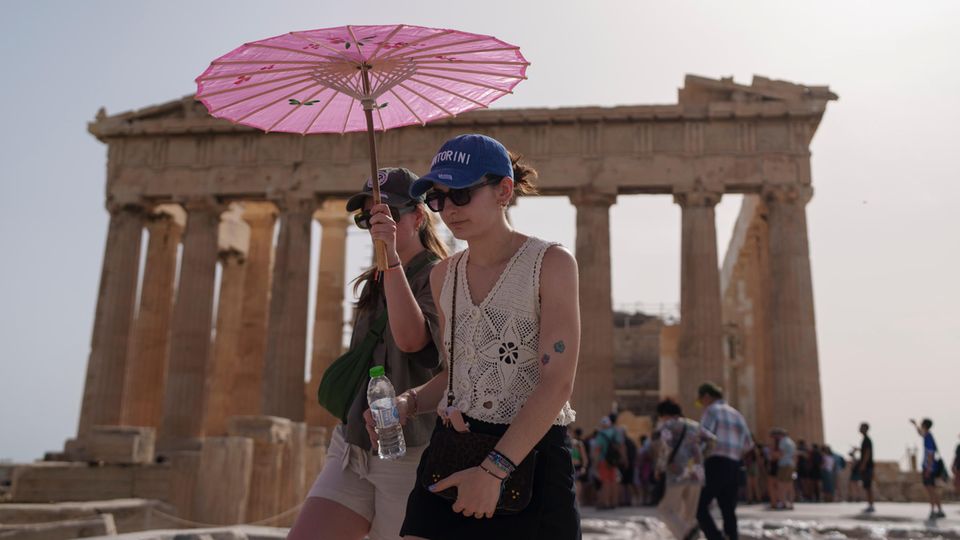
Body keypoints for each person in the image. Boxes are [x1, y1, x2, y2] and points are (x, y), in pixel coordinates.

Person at [387, 134, 581, 539]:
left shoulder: (551, 264)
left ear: (503, 190)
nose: (449, 210)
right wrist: (409, 402)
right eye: (438, 198)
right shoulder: (444, 275)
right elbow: (458, 374)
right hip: (452, 449)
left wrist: (494, 471)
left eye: (460, 193)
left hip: (530, 456)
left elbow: (557, 381)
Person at [288, 168, 449, 540]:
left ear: (418, 217)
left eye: (387, 214)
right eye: (368, 217)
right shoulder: (373, 281)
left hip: (409, 450)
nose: (377, 225)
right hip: (354, 444)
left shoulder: (438, 275)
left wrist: (391, 258)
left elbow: (413, 343)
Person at [695, 382, 753, 540]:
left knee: (699, 506)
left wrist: (696, 458)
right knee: (728, 509)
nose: (700, 405)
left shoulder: (712, 411)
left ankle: (716, 537)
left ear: (706, 397)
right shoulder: (737, 414)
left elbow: (704, 436)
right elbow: (748, 444)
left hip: (716, 463)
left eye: (700, 401)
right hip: (734, 465)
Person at [655, 398, 717, 540]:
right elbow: (712, 440)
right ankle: (690, 534)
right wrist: (701, 456)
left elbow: (666, 447)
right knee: (688, 515)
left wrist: (660, 468)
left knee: (666, 509)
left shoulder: (667, 426)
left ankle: (687, 535)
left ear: (664, 414)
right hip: (696, 471)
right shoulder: (694, 425)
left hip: (677, 471)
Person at [911, 418, 945, 520]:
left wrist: (928, 469)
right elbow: (920, 433)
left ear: (924, 425)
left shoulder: (928, 437)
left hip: (929, 468)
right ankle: (939, 510)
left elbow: (930, 454)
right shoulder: (927, 435)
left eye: (921, 424)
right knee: (932, 490)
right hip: (930, 467)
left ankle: (933, 511)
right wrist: (915, 424)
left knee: (931, 491)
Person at [593, 415, 625, 509]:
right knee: (614, 481)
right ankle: (614, 502)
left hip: (604, 460)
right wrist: (622, 458)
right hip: (614, 461)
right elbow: (621, 446)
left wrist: (595, 464)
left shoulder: (600, 435)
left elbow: (598, 451)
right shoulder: (616, 432)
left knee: (605, 482)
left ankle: (606, 502)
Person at [771, 428, 796, 510]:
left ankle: (783, 503)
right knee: (790, 484)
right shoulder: (792, 442)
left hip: (784, 464)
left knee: (781, 484)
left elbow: (781, 453)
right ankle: (791, 503)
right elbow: (794, 455)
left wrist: (773, 456)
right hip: (791, 464)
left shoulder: (782, 441)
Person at [857, 422, 875, 513]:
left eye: (861, 427)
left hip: (868, 466)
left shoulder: (867, 440)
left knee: (868, 486)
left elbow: (867, 453)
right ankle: (870, 504)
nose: (859, 429)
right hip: (867, 466)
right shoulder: (865, 440)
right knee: (867, 486)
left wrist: (863, 465)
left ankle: (871, 505)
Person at [569, 427, 589, 503]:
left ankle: (577, 500)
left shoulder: (578, 444)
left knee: (578, 483)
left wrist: (584, 467)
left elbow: (584, 457)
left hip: (577, 466)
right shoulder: (566, 443)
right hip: (569, 466)